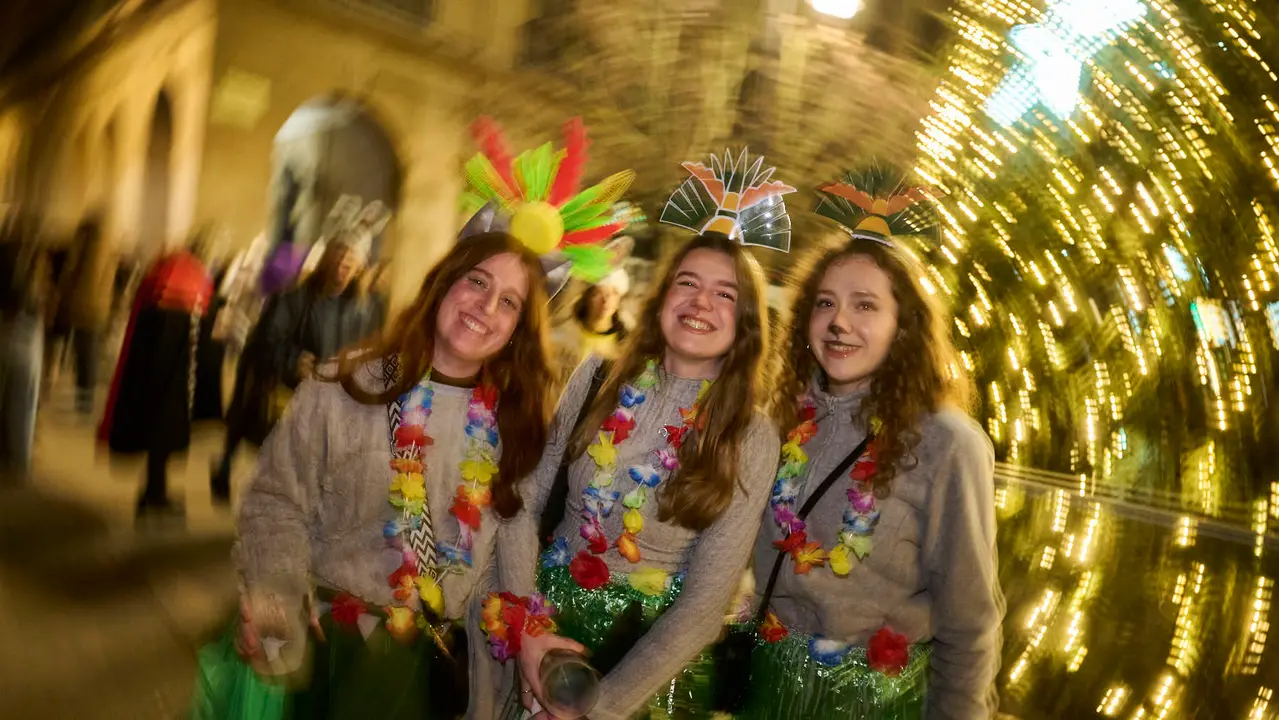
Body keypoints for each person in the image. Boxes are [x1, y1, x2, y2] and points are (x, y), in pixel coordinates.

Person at [224, 115, 635, 720]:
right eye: (476, 281)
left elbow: (508, 547)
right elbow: (274, 502)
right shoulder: (346, 386)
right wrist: (275, 599)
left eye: (509, 302)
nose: (484, 308)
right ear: (443, 284)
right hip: (325, 657)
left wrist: (526, 631)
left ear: (519, 329)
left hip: (431, 677)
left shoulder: (516, 425)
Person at [485, 148, 799, 720]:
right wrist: (528, 631)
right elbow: (525, 503)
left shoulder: (751, 434)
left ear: (746, 323)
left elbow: (706, 606)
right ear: (660, 300)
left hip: (647, 672)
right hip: (545, 640)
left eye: (725, 294)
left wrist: (600, 707)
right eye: (687, 283)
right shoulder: (599, 378)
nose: (701, 302)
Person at [734, 170, 1003, 719]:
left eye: (865, 306)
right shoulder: (777, 422)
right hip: (766, 690)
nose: (839, 324)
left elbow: (970, 623)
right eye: (825, 303)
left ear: (903, 326)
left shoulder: (948, 444)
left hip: (866, 703)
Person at [208, 226, 379, 503]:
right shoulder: (294, 298)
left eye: (350, 260)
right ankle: (227, 467)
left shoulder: (362, 309)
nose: (342, 265)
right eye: (338, 256)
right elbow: (266, 340)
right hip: (287, 389)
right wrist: (292, 360)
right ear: (325, 259)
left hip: (329, 397)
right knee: (253, 427)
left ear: (359, 267)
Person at [98, 235, 215, 517]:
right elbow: (199, 308)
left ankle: (154, 492)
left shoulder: (162, 272)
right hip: (173, 365)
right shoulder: (187, 278)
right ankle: (154, 496)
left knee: (157, 431)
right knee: (162, 430)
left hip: (153, 365)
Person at [0, 218, 50, 483]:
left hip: (7, 321)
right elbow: (36, 296)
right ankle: (19, 460)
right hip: (26, 324)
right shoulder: (34, 257)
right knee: (24, 397)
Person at [53, 217, 117, 414]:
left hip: (81, 306)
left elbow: (71, 271)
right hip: (100, 308)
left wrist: (62, 294)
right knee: (90, 351)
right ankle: (86, 397)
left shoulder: (84, 244)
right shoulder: (110, 247)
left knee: (82, 351)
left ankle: (83, 395)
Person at [550, 269, 631, 380]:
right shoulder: (565, 333)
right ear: (586, 297)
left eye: (613, 293)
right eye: (598, 293)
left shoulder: (625, 343)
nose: (605, 300)